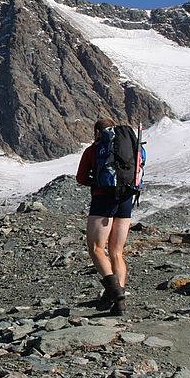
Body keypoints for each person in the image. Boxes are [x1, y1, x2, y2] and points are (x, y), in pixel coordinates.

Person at [75, 118, 138, 315]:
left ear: (96, 133)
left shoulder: (94, 149)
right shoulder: (129, 147)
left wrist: (97, 180)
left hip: (103, 198)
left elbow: (81, 178)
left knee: (96, 248)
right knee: (117, 252)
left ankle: (114, 292)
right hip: (126, 199)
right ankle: (119, 302)